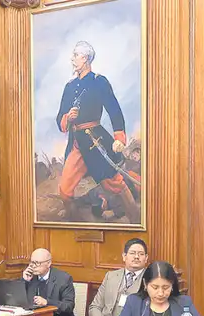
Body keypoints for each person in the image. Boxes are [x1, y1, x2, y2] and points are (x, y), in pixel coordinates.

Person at [54, 41, 139, 220]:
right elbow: (60, 116)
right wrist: (67, 118)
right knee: (65, 190)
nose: (72, 59)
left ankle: (135, 216)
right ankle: (73, 222)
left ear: (85, 59)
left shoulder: (99, 81)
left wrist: (119, 137)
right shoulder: (69, 87)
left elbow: (114, 109)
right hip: (77, 143)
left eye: (75, 55)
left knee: (114, 183)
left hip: (96, 141)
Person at [112, 261, 204, 316]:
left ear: (172, 285)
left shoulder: (183, 302)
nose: (160, 293)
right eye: (155, 287)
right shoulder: (134, 302)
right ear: (145, 284)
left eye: (165, 287)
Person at [83, 238, 148, 316]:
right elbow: (95, 306)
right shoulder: (111, 276)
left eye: (140, 254)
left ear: (146, 258)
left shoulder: (149, 280)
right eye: (132, 253)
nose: (136, 257)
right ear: (124, 256)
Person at [19, 248, 79, 316]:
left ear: (48, 263)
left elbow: (68, 306)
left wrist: (47, 302)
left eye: (37, 263)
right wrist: (24, 281)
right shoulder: (29, 277)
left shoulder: (64, 278)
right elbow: (18, 300)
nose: (33, 266)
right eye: (32, 262)